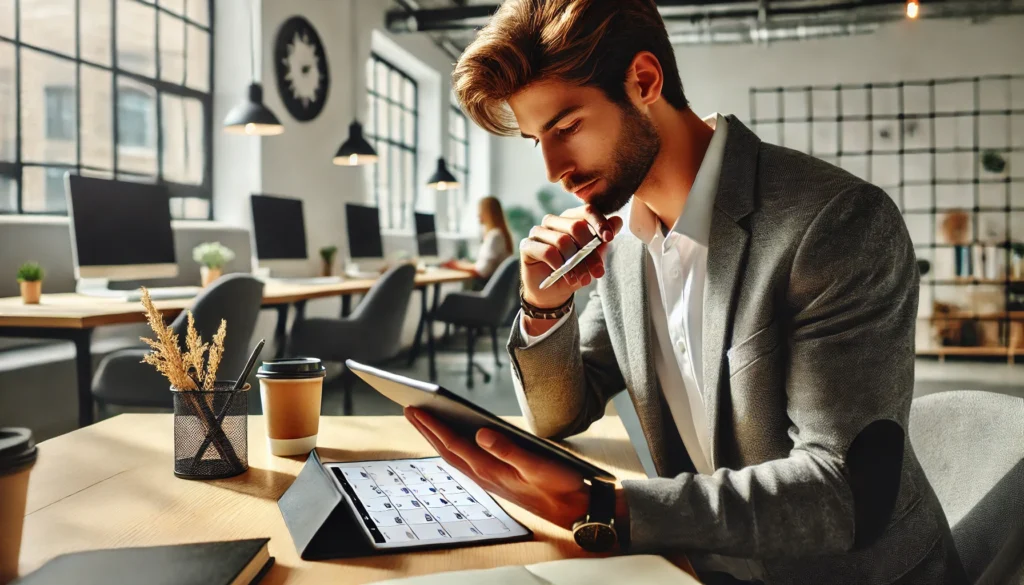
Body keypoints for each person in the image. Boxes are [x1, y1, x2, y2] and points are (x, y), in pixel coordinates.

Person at [404, 1, 967, 584]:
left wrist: (608, 506)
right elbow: (560, 412)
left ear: (644, 81)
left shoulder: (835, 223)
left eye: (566, 127)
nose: (552, 169)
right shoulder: (624, 245)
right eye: (534, 140)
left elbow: (842, 493)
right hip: (703, 564)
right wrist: (543, 305)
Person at [442, 196, 514, 282]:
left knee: (450, 295)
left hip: (485, 289)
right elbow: (481, 266)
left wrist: (454, 266)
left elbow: (481, 271)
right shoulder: (498, 235)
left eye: (480, 210)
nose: (478, 215)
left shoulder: (495, 237)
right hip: (493, 290)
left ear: (489, 213)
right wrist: (460, 264)